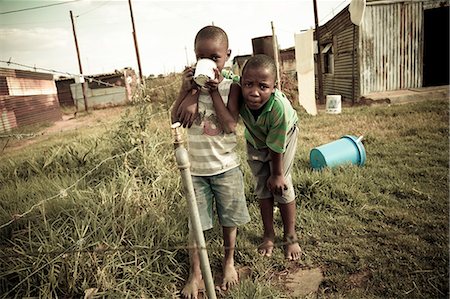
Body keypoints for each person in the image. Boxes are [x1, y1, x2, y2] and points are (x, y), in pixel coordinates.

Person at [171, 25, 250, 299]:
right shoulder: (191, 89)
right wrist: (187, 91)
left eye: (214, 57)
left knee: (229, 221)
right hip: (196, 170)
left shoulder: (233, 88)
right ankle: (195, 274)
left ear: (226, 56)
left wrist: (213, 91)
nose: (207, 62)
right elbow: (174, 118)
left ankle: (228, 262)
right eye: (200, 56)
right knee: (197, 223)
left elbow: (230, 125)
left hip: (226, 168)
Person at [239, 54, 302, 261]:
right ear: (241, 82)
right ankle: (269, 235)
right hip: (256, 139)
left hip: (284, 136)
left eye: (263, 87)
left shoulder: (278, 108)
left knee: (281, 185)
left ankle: (290, 237)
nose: (254, 92)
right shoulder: (237, 93)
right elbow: (223, 76)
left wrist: (277, 174)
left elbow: (277, 146)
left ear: (274, 87)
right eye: (248, 84)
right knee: (262, 186)